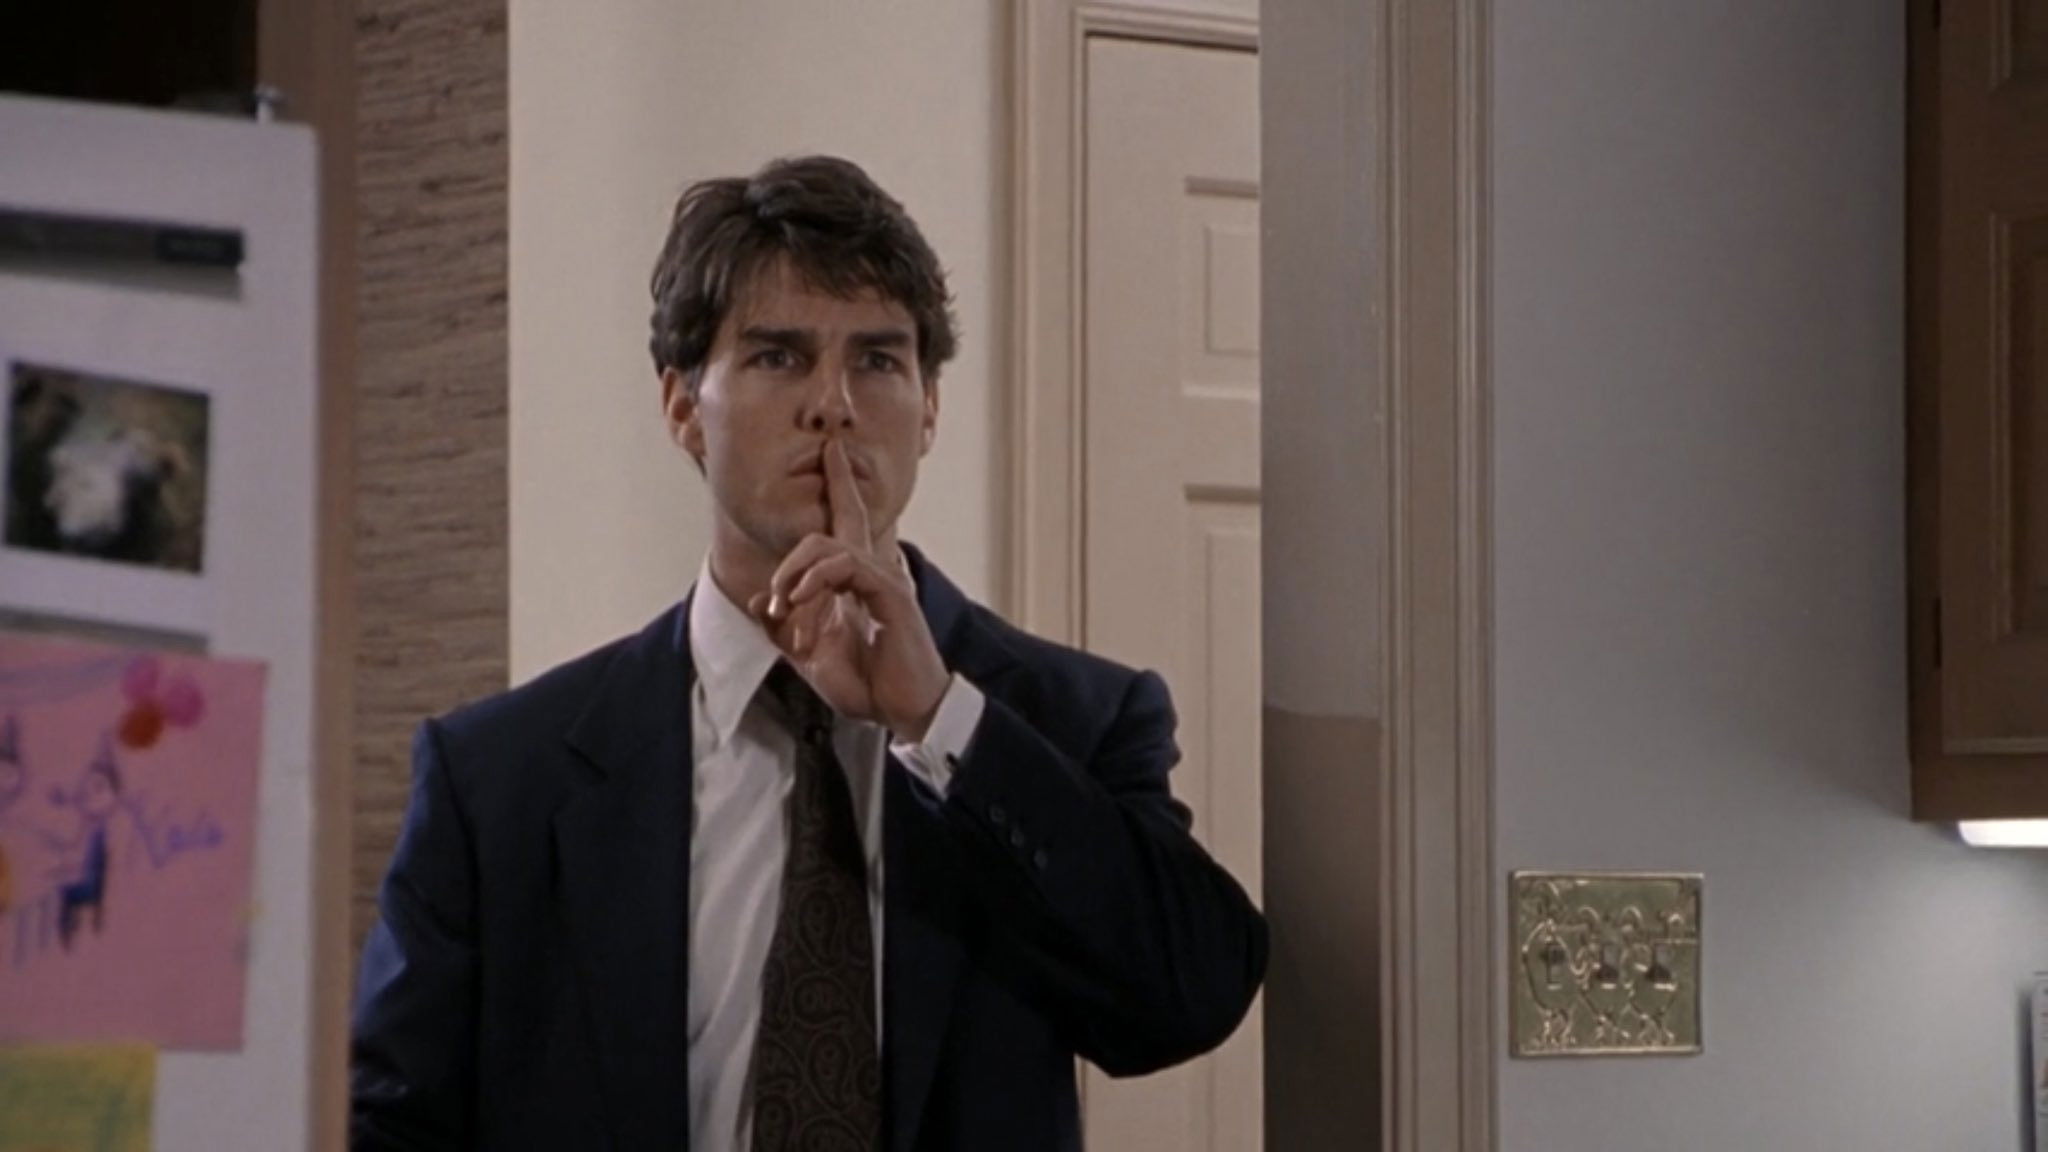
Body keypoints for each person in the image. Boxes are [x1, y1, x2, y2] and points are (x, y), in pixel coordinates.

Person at [349, 155, 1268, 1152]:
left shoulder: (1069, 718)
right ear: (680, 406)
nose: (833, 403)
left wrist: (937, 718)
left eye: (877, 361)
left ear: (929, 408)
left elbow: (1188, 997)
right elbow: (389, 1124)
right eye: (778, 357)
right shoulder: (499, 780)